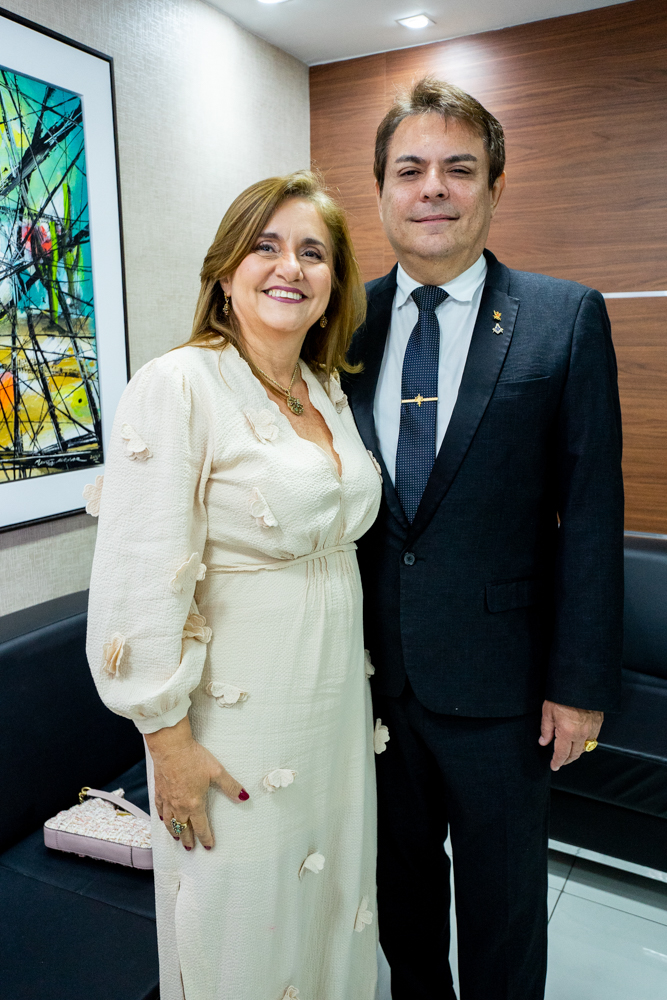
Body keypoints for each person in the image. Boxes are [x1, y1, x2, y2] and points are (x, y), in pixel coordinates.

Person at [343, 78, 624, 1000]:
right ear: (381, 191)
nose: (432, 187)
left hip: (504, 691)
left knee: (503, 913)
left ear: (494, 188)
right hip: (369, 683)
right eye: (409, 169)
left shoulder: (562, 316)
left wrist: (578, 687)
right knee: (403, 902)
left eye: (458, 169)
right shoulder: (341, 324)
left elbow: (590, 515)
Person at [85, 171, 383, 1000]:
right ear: (225, 272)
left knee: (328, 912)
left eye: (312, 252)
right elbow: (137, 581)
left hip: (332, 711)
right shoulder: (179, 384)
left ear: (332, 284)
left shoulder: (323, 389)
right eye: (265, 246)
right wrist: (167, 746)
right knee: (243, 931)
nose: (290, 267)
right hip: (233, 725)